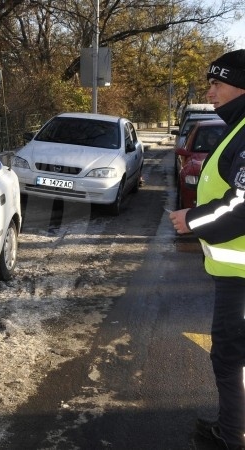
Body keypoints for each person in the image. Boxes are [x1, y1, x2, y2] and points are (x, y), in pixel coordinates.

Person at [169, 49, 245, 450]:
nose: (210, 91)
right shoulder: (237, 126)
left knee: (229, 357)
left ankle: (233, 437)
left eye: (217, 82)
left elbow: (243, 203)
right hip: (234, 273)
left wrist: (192, 221)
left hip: (241, 277)